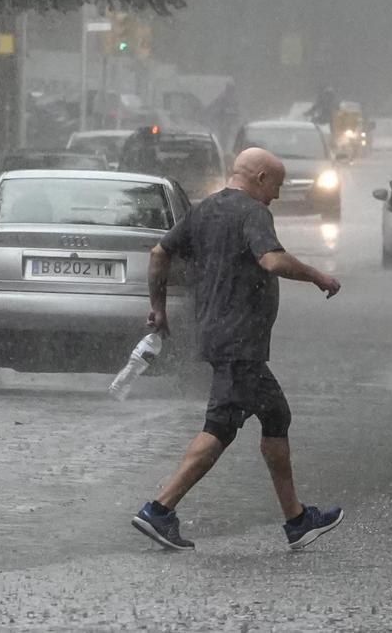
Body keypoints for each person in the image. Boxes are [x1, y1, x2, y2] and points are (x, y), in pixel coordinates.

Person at [130, 147, 344, 552]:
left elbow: (160, 252)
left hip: (221, 335)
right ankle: (159, 509)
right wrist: (317, 276)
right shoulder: (252, 212)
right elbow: (272, 261)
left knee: (275, 414)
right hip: (238, 341)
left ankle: (297, 520)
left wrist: (157, 307)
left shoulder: (204, 210)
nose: (277, 196)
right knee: (220, 427)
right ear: (261, 177)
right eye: (276, 186)